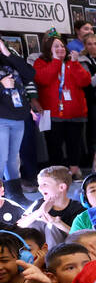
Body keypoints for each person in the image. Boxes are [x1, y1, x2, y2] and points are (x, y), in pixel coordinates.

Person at [33, 35, 90, 175]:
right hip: (50, 113)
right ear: (48, 49)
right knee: (53, 145)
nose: (60, 49)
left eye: (62, 46)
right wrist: (56, 62)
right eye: (56, 46)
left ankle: (75, 171)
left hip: (76, 113)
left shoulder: (72, 62)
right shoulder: (40, 62)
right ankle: (58, 174)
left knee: (75, 144)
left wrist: (76, 63)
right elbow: (43, 80)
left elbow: (85, 81)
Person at [0, 39, 35, 202]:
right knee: (1, 158)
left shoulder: (9, 55)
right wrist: (1, 84)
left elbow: (29, 74)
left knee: (13, 158)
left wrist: (7, 53)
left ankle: (15, 194)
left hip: (18, 115)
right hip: (1, 117)